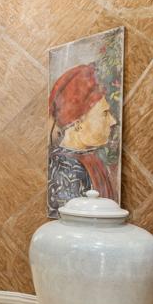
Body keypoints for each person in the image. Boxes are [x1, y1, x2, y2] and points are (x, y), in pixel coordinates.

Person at [47, 63, 118, 218]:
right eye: (105, 113)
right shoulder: (67, 168)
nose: (113, 121)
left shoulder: (90, 160)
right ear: (78, 123)